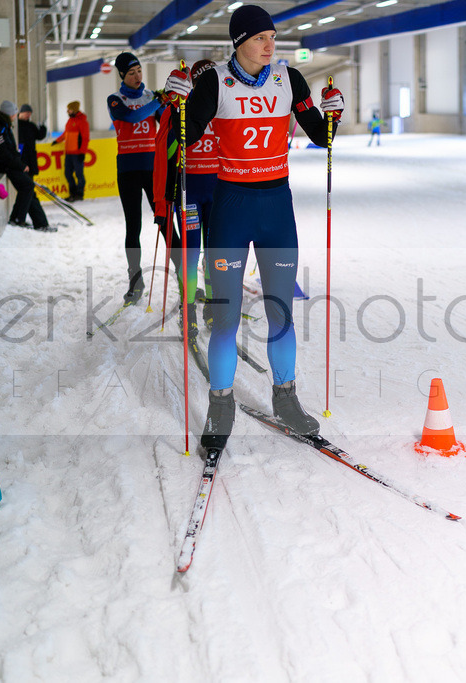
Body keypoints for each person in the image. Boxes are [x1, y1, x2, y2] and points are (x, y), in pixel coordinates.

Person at [163, 4, 345, 449]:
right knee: (225, 318)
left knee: (281, 312)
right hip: (231, 205)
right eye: (261, 37)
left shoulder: (289, 79)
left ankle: (286, 399)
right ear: (239, 41)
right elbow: (182, 139)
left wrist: (333, 113)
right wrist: (175, 105)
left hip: (276, 208)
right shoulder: (215, 81)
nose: (270, 44)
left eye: (272, 37)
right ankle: (220, 407)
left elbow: (321, 136)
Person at [153, 59, 219, 340]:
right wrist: (171, 102)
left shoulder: (225, 106)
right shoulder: (181, 105)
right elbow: (164, 147)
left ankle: (214, 308)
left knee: (217, 254)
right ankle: (188, 309)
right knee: (191, 253)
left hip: (218, 190)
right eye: (202, 81)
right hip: (188, 190)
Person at [108, 51, 181, 303]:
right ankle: (135, 281)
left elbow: (167, 123)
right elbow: (132, 117)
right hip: (127, 171)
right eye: (131, 73)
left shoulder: (152, 97)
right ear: (121, 75)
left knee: (165, 223)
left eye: (139, 70)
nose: (137, 76)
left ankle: (184, 277)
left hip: (154, 170)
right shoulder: (115, 99)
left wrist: (174, 103)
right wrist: (159, 101)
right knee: (133, 226)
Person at [0, 100, 55, 233]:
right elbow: (1, 151)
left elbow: (9, 148)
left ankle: (39, 222)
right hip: (4, 165)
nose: (15, 116)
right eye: (14, 113)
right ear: (9, 113)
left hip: (11, 163)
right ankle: (19, 219)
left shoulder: (4, 124)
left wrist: (20, 163)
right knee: (28, 186)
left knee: (28, 187)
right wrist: (19, 164)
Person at [16, 104, 50, 227]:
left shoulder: (31, 126)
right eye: (26, 113)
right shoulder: (16, 127)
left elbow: (39, 135)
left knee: (28, 192)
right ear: (21, 113)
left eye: (30, 113)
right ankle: (37, 221)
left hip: (30, 163)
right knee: (29, 192)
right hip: (22, 164)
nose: (28, 115)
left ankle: (25, 219)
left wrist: (43, 128)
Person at [53, 100, 90, 200]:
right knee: (67, 173)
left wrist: (82, 152)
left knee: (79, 174)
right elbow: (66, 133)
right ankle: (72, 193)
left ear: (74, 110)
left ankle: (79, 193)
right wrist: (57, 141)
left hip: (77, 153)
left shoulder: (82, 122)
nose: (67, 111)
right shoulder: (70, 121)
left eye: (69, 110)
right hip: (69, 152)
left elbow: (85, 138)